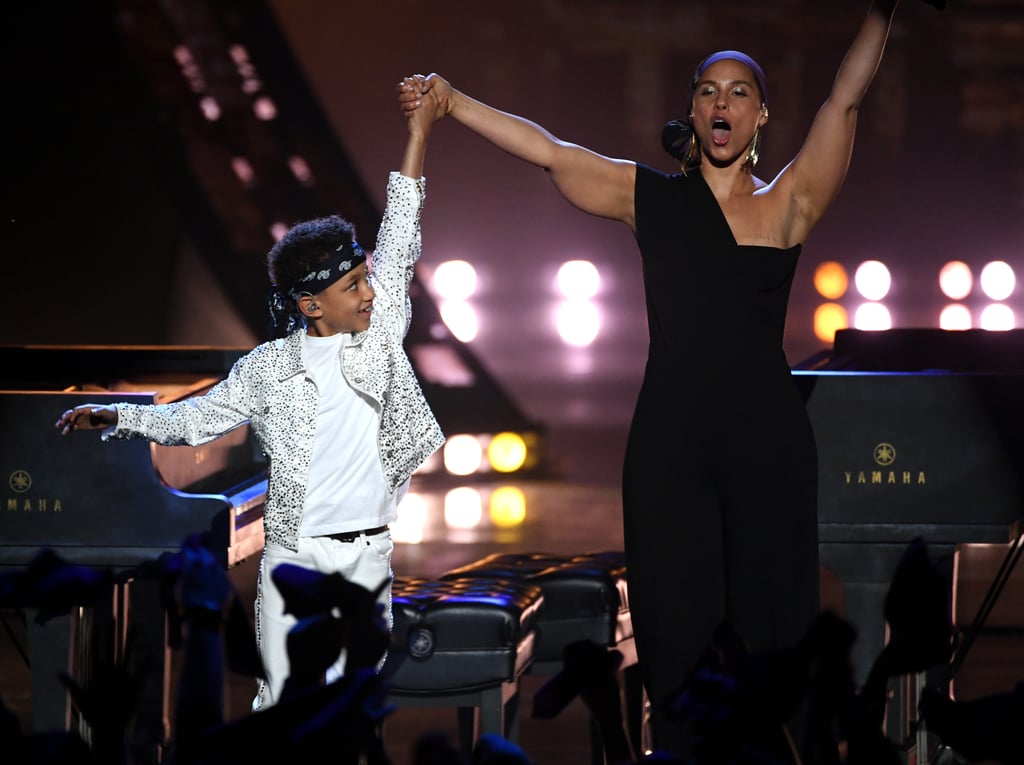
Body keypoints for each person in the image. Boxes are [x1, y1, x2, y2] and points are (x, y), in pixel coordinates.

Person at [399, 0, 921, 757]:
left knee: (772, 631)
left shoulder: (788, 205)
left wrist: (885, 7)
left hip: (764, 443)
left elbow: (845, 96)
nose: (723, 102)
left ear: (761, 118)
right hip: (671, 442)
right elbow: (549, 151)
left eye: (740, 92)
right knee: (676, 627)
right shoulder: (651, 199)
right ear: (692, 110)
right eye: (709, 89)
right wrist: (451, 102)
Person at [54, 77, 448, 713]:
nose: (370, 293)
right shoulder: (269, 367)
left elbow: (401, 230)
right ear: (310, 303)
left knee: (348, 710)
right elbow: (196, 419)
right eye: (353, 286)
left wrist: (419, 134)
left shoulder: (381, 339)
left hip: (368, 555)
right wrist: (119, 416)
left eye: (366, 278)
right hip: (291, 556)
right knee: (282, 708)